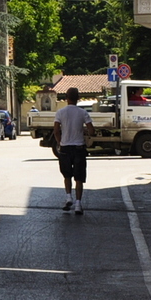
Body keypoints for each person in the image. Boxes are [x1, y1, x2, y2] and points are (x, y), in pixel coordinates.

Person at [53, 87, 91, 216]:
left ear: (66, 98)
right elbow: (92, 130)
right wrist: (84, 132)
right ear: (78, 98)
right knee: (79, 178)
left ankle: (69, 197)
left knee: (67, 175)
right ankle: (78, 205)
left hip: (65, 148)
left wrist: (60, 142)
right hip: (79, 148)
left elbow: (56, 131)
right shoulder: (83, 113)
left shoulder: (60, 112)